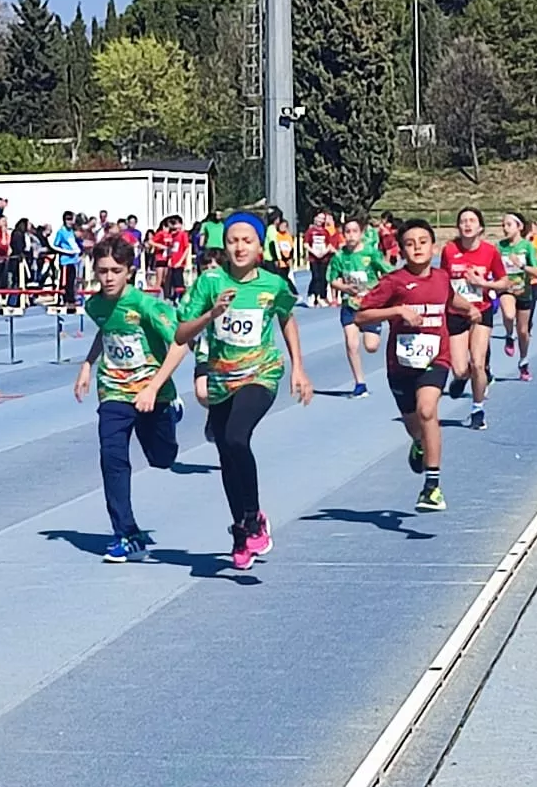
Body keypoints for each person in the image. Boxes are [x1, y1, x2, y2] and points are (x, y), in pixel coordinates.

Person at [136, 211, 311, 570]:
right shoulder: (209, 283)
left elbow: (287, 318)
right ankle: (243, 529)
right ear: (224, 245)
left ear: (260, 247)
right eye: (233, 241)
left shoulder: (272, 285)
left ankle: (251, 517)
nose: (239, 247)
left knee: (235, 438)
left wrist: (298, 368)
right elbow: (182, 334)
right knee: (227, 457)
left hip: (260, 373)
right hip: (220, 379)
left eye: (247, 241)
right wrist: (211, 315)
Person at [356, 217, 479, 513]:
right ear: (401, 250)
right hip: (400, 365)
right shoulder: (393, 282)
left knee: (428, 410)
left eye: (423, 242)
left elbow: (451, 299)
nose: (417, 248)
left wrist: (472, 308)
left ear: (433, 247)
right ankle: (420, 445)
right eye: (410, 244)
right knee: (416, 427)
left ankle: (432, 487)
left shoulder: (441, 278)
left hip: (436, 358)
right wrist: (397, 310)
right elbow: (361, 316)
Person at [73, 236, 180, 562]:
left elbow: (180, 343)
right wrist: (88, 365)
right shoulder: (95, 305)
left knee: (163, 458)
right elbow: (106, 331)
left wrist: (154, 387)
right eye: (102, 271)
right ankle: (126, 533)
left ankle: (173, 412)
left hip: (153, 394)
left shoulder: (146, 305)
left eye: (115, 271)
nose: (108, 278)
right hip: (115, 392)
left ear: (129, 272)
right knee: (112, 458)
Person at [439, 209, 508, 429]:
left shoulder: (490, 252)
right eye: (463, 221)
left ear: (480, 227)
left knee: (478, 362)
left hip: (482, 310)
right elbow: (442, 282)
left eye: (472, 221)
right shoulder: (449, 251)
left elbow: (504, 282)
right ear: (458, 227)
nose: (467, 225)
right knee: (460, 369)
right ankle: (461, 379)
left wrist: (484, 284)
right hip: (457, 313)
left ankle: (478, 409)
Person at [328, 212, 388, 398]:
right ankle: (359, 383)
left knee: (371, 346)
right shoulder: (339, 256)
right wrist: (345, 288)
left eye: (355, 231)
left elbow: (387, 273)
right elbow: (332, 279)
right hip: (350, 306)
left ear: (361, 233)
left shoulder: (370, 253)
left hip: (369, 307)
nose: (351, 235)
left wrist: (377, 290)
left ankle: (374, 330)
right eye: (347, 231)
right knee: (351, 344)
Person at [496, 211, 537, 382]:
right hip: (506, 289)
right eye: (503, 225)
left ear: (519, 227)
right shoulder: (500, 246)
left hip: (524, 290)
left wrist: (521, 265)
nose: (504, 228)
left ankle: (523, 361)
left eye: (508, 224)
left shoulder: (528, 246)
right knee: (508, 314)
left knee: (523, 331)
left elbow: (536, 271)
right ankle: (509, 335)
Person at [304, 212, 338, 307]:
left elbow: (329, 244)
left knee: (323, 277)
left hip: (323, 257)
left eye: (322, 219)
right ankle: (312, 295)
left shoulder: (325, 232)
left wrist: (324, 252)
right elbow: (306, 244)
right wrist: (314, 252)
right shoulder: (310, 231)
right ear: (315, 218)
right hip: (313, 258)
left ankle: (321, 297)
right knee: (315, 276)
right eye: (319, 218)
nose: (320, 220)